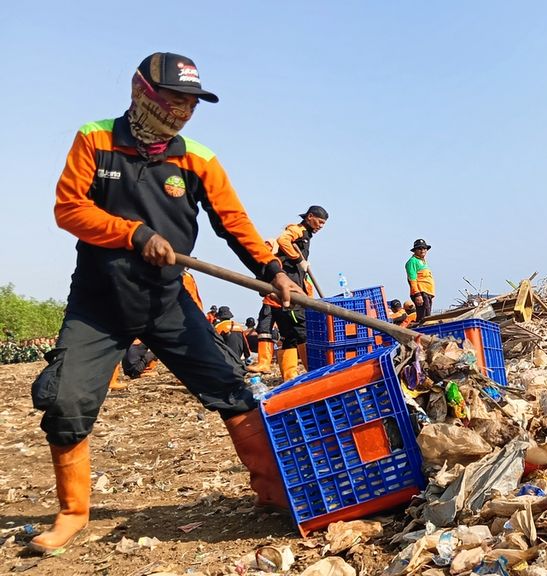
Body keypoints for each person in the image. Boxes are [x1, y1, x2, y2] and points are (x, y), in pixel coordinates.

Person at [28, 52, 302, 554]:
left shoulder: (196, 158)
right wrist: (132, 234)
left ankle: (269, 491)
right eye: (175, 99)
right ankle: (72, 513)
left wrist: (273, 270)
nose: (183, 111)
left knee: (230, 388)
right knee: (66, 401)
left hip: (167, 300)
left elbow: (233, 222)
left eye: (192, 103)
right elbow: (69, 209)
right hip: (99, 301)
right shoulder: (96, 138)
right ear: (142, 92)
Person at [261, 206, 328, 379]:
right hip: (290, 291)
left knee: (289, 336)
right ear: (310, 217)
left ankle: (289, 377)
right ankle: (313, 372)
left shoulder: (306, 235)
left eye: (324, 224)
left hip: (293, 289)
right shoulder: (298, 230)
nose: (321, 226)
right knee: (302, 331)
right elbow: (283, 240)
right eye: (319, 222)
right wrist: (298, 259)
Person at [405, 239, 435, 323]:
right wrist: (417, 295)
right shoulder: (412, 262)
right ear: (415, 250)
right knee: (424, 318)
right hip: (421, 293)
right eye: (420, 249)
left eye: (424, 248)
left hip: (427, 292)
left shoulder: (422, 261)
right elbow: (412, 279)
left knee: (427, 316)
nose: (423, 250)